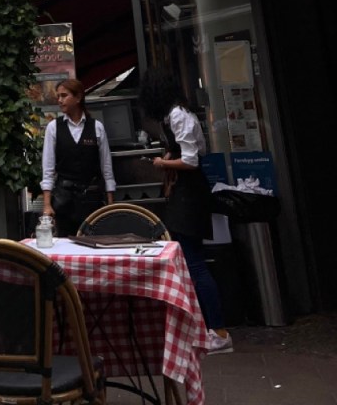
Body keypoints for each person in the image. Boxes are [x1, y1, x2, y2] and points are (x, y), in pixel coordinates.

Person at [138, 68, 233, 355]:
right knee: (189, 260)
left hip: (190, 194)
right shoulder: (173, 116)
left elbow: (191, 161)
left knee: (194, 262)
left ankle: (219, 331)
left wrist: (162, 164)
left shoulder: (178, 116)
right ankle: (205, 327)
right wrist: (171, 157)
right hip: (186, 192)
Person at [40, 77, 116, 237]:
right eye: (58, 96)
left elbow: (107, 168)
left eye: (64, 95)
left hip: (91, 197)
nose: (59, 100)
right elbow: (48, 170)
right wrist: (47, 205)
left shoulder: (96, 127)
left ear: (78, 97)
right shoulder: (53, 127)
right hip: (63, 198)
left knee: (94, 241)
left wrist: (110, 202)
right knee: (64, 242)